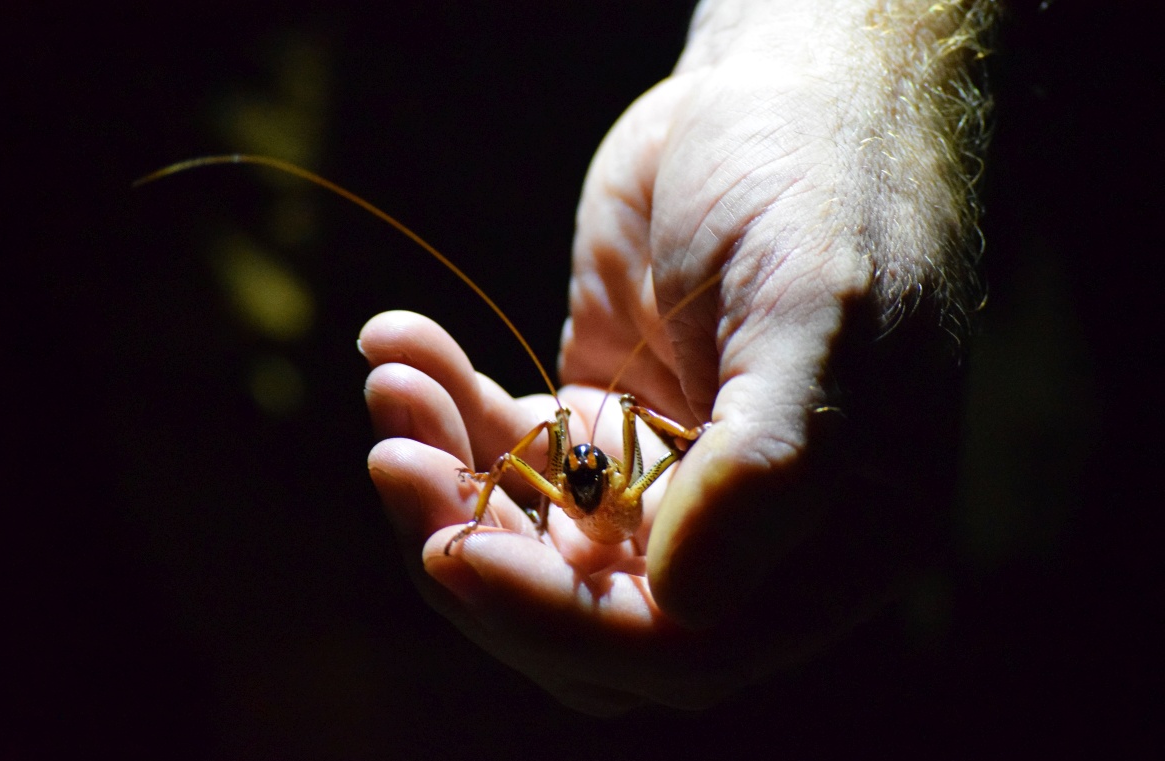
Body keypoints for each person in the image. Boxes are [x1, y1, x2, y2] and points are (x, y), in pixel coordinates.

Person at [359, 0, 997, 715]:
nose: (579, 469)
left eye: (584, 465)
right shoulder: (569, 474)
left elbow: (637, 471)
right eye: (576, 467)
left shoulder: (614, 481)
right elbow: (525, 461)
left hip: (648, 520)